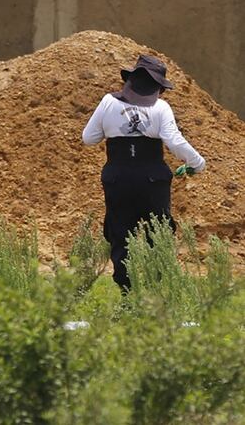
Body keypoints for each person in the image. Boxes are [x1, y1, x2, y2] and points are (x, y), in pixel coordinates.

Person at [82, 54, 205, 290]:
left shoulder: (108, 101)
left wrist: (115, 128)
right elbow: (174, 141)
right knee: (157, 233)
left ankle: (126, 294)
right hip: (152, 178)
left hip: (118, 177)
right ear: (158, 88)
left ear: (130, 82)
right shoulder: (161, 107)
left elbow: (89, 138)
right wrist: (197, 162)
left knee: (120, 233)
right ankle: (155, 291)